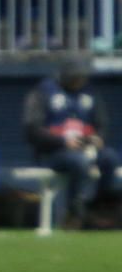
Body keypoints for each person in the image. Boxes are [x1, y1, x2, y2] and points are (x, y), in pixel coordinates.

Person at [24, 58, 120, 226]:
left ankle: (102, 207)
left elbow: (101, 123)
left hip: (86, 148)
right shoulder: (43, 92)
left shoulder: (89, 93)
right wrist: (62, 142)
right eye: (76, 77)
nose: (79, 81)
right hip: (54, 152)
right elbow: (32, 130)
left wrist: (98, 138)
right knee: (79, 162)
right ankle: (74, 212)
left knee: (110, 157)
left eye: (82, 77)